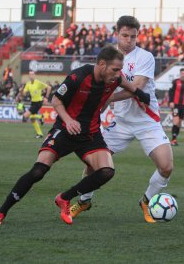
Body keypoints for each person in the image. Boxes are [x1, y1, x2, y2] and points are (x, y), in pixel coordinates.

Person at [0, 45, 151, 226]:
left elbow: (135, 90)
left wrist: (143, 99)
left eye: (120, 70)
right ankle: (1, 212)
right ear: (102, 64)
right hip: (65, 130)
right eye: (115, 69)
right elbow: (55, 100)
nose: (118, 74)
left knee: (106, 171)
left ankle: (64, 198)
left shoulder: (115, 78)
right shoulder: (78, 76)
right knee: (38, 170)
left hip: (90, 133)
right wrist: (69, 120)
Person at [70, 15, 174, 224]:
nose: (129, 40)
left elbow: (137, 87)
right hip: (121, 122)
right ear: (117, 34)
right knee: (93, 162)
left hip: (147, 121)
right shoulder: (109, 58)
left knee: (166, 167)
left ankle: (146, 201)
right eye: (125, 35)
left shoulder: (144, 57)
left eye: (133, 37)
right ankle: (84, 200)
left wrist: (108, 98)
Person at [18, 70, 52, 138]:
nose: (31, 76)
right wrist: (21, 90)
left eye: (32, 74)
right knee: (32, 119)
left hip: (38, 102)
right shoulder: (28, 84)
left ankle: (40, 117)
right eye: (30, 74)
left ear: (34, 75)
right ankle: (39, 134)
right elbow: (23, 94)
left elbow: (49, 87)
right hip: (33, 102)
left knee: (25, 116)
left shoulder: (38, 83)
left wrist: (46, 97)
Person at [169, 68, 184, 146]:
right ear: (180, 73)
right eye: (182, 73)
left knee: (179, 123)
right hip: (175, 104)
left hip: (182, 105)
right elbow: (171, 91)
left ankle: (175, 139)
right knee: (176, 120)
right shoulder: (175, 82)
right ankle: (173, 139)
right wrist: (171, 101)